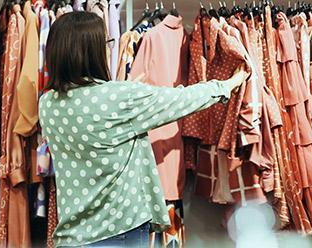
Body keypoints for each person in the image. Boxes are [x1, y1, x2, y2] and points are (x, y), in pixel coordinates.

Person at [39, 11, 248, 247]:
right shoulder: (119, 98)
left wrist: (128, 94)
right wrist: (229, 84)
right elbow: (181, 99)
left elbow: (96, 117)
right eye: (106, 43)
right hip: (120, 230)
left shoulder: (47, 104)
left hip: (72, 236)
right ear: (91, 51)